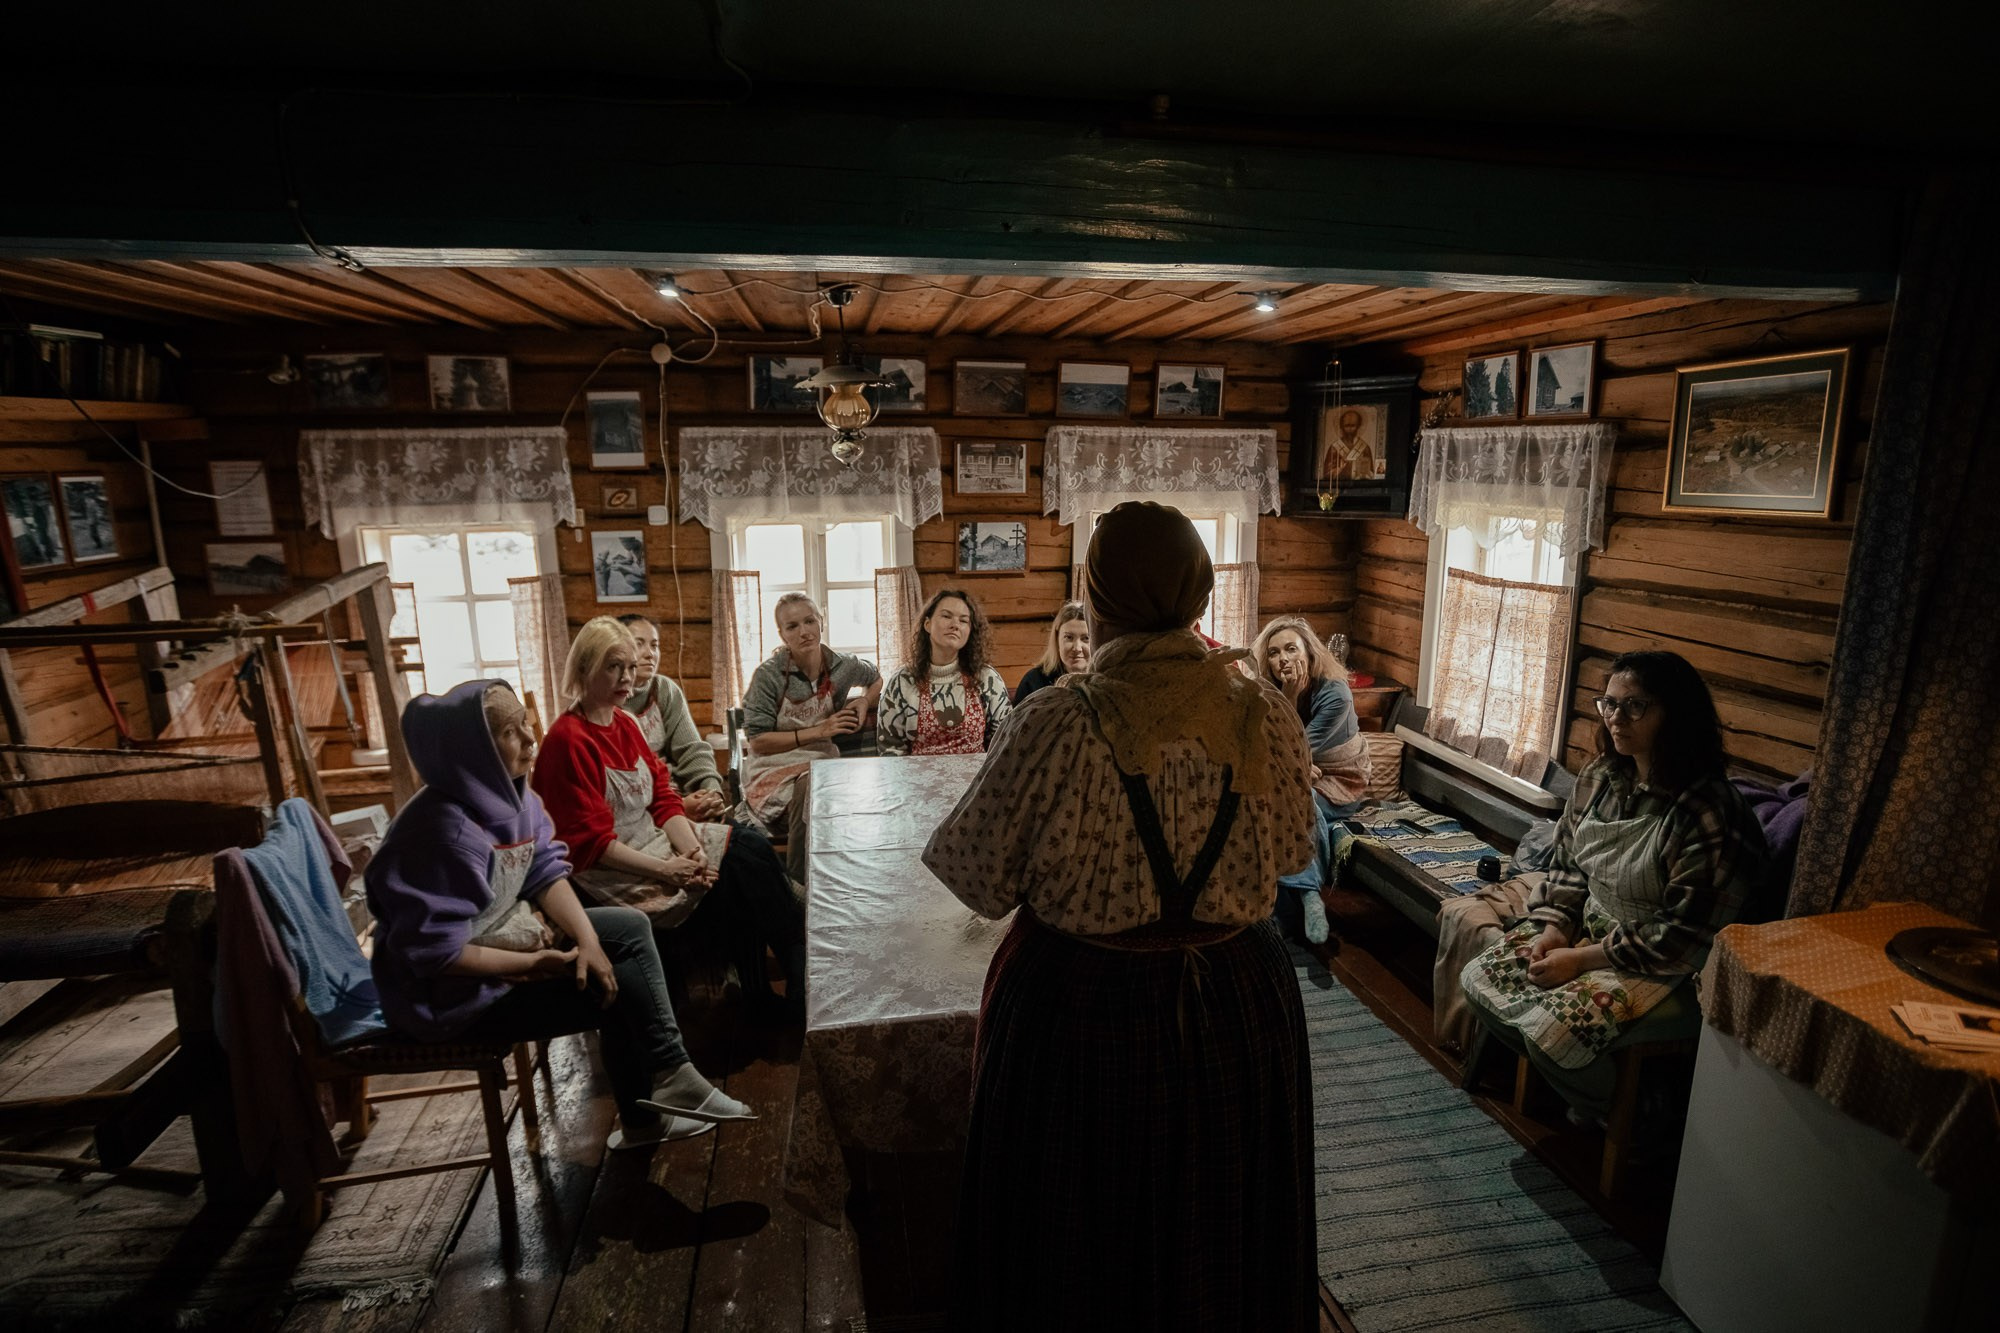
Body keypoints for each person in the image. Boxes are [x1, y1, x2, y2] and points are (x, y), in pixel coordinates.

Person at [925, 501, 1319, 1332]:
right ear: (1200, 592)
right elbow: (1289, 850)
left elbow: (976, 875)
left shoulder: (1057, 720)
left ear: (1096, 596)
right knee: (1223, 1211)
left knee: (1076, 1233)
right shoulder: (1266, 714)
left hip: (1083, 1008)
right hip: (1238, 999)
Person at [364, 679, 750, 1147]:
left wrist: (587, 941)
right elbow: (434, 954)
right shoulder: (444, 835)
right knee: (617, 989)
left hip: (502, 938)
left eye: (525, 725)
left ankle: (664, 1086)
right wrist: (532, 964)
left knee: (625, 930)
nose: (530, 740)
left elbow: (544, 873)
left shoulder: (514, 797)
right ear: (472, 750)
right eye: (509, 733)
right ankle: (655, 1101)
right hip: (450, 995)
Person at [1459, 650, 1767, 1124]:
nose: (1617, 718)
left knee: (1555, 1031)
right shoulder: (1602, 776)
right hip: (1588, 929)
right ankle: (1588, 1091)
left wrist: (1581, 959)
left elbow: (1684, 937)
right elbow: (1568, 863)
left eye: (1635, 706)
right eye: (1610, 704)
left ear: (1676, 714)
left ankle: (1633, 1115)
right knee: (1482, 979)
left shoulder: (1708, 812)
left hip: (1667, 964)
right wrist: (1555, 928)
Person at [533, 616, 806, 1021]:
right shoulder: (568, 739)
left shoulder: (623, 723)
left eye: (629, 667)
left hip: (653, 842)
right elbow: (591, 844)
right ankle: (790, 980)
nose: (627, 677)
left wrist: (694, 854)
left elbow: (662, 798)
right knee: (743, 876)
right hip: (610, 867)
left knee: (747, 848)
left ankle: (773, 989)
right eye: (613, 667)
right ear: (585, 668)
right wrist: (667, 871)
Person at [1253, 615, 1369, 945]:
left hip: (1340, 779)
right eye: (1274, 653)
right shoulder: (1268, 689)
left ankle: (1304, 898)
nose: (1283, 659)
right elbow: (1270, 749)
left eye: (1291, 649)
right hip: (1298, 774)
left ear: (1309, 652)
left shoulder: (1335, 694)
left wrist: (1301, 767)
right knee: (1279, 800)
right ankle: (1298, 901)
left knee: (1299, 801)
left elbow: (1290, 750)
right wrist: (1300, 767)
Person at [738, 593, 883, 834]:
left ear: (821, 622)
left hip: (822, 763)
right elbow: (759, 741)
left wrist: (865, 701)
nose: (804, 632)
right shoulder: (768, 676)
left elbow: (876, 678)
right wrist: (820, 730)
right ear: (782, 634)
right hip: (772, 768)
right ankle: (799, 872)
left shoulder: (842, 666)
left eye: (809, 621)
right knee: (812, 793)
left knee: (833, 796)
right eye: (792, 626)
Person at [616, 613, 728, 824]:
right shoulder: (605, 702)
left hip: (680, 797)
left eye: (654, 645)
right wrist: (679, 805)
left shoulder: (664, 690)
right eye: (639, 644)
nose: (650, 654)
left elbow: (691, 749)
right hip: (643, 810)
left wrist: (711, 792)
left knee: (751, 844)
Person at [878, 587, 1012, 755]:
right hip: (918, 780)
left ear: (970, 632)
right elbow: (890, 752)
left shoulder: (987, 678)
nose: (955, 625)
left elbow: (1005, 742)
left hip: (978, 779)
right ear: (927, 624)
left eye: (963, 621)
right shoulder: (902, 681)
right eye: (946, 616)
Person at [1011, 600, 1089, 705]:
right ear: (1057, 640)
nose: (1077, 648)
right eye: (1069, 637)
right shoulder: (1034, 681)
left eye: (1086, 638)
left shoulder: (1104, 683)